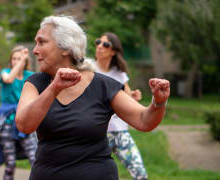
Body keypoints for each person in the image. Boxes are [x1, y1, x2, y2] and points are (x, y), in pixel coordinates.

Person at [16, 15, 170, 180]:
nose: (35, 50)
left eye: (42, 42)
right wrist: (54, 88)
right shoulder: (35, 83)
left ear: (66, 47)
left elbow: (144, 120)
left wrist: (158, 102)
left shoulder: (103, 85)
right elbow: (24, 124)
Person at [95, 32, 148, 180]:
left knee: (140, 175)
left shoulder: (119, 74)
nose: (99, 46)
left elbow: (128, 99)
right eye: (98, 42)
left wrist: (133, 97)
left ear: (113, 51)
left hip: (120, 132)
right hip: (98, 134)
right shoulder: (88, 70)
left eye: (105, 44)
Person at [0, 45, 38, 180]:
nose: (17, 61)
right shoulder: (5, 72)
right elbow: (9, 79)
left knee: (35, 159)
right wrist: (22, 61)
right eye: (14, 59)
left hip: (25, 122)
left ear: (26, 60)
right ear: (11, 61)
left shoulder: (30, 76)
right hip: (7, 123)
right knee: (10, 164)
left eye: (20, 58)